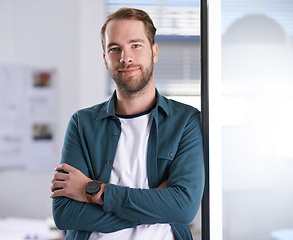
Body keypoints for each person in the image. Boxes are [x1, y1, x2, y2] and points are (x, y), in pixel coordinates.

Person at [50, 7, 204, 240]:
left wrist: (91, 191)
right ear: (105, 60)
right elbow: (65, 213)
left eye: (135, 45)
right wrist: (156, 205)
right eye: (115, 49)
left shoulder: (186, 121)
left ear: (154, 51)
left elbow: (183, 208)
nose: (125, 58)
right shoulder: (82, 124)